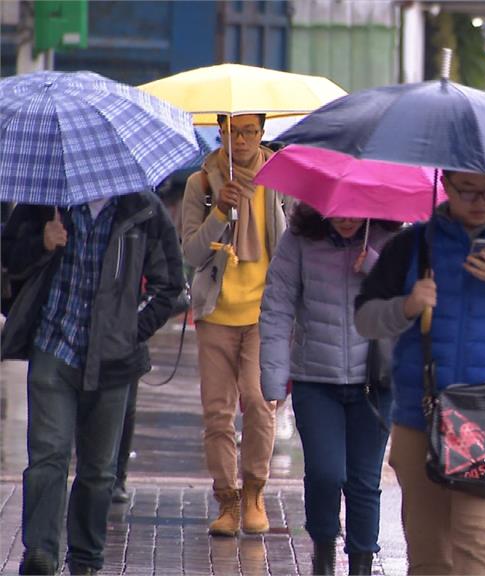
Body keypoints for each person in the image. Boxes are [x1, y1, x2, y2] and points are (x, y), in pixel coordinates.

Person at [354, 170, 485, 575]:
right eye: (467, 190)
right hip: (422, 418)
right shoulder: (414, 244)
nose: (479, 200)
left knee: (478, 541)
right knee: (429, 554)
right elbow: (366, 320)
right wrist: (407, 306)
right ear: (446, 186)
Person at [2, 193, 184, 575]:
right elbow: (9, 259)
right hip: (54, 346)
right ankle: (41, 551)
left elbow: (170, 286)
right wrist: (42, 243)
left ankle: (85, 557)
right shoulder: (45, 201)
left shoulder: (143, 209)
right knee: (48, 455)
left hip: (113, 360)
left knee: (99, 469)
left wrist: (131, 331)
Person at [260, 205, 397, 575]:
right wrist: (273, 377)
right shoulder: (299, 240)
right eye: (338, 210)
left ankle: (362, 565)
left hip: (375, 382)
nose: (348, 217)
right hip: (315, 380)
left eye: (356, 209)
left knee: (364, 482)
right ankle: (322, 555)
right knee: (324, 473)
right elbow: (277, 307)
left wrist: (375, 267)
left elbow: (410, 305)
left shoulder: (392, 238)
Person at [180, 113, 290, 536]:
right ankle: (227, 499)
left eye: (250, 131)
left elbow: (293, 244)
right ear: (220, 131)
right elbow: (191, 253)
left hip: (265, 314)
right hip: (216, 314)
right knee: (217, 413)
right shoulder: (201, 185)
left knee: (260, 403)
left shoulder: (280, 180)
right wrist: (220, 211)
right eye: (233, 131)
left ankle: (254, 493)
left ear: (262, 134)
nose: (241, 140)